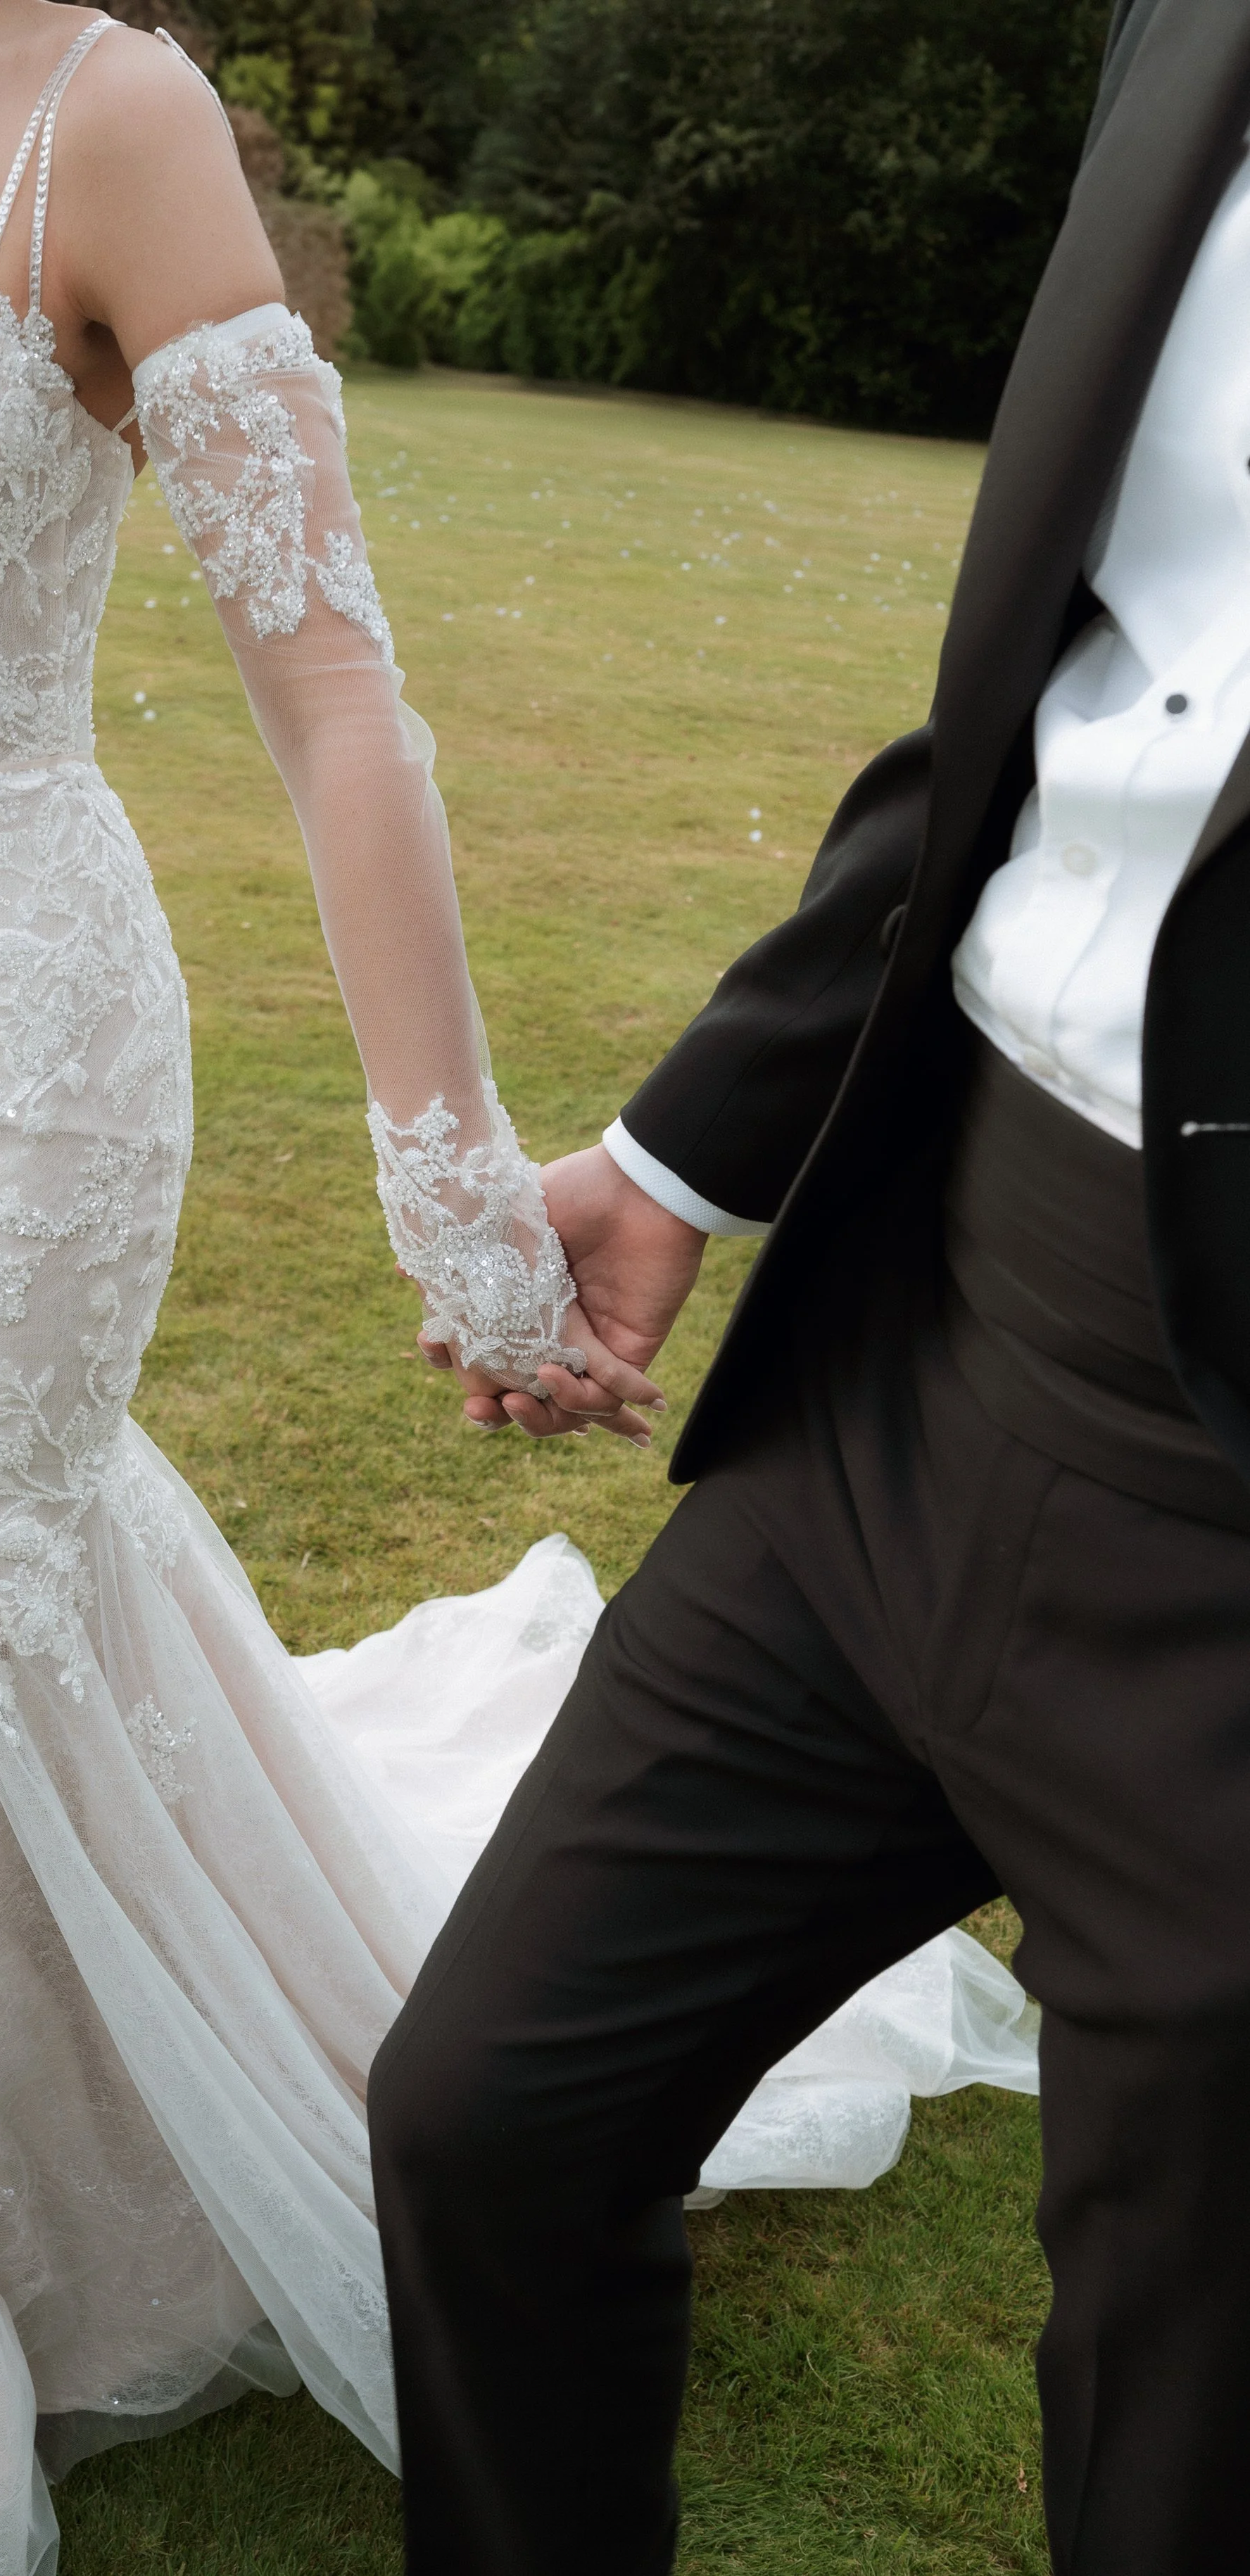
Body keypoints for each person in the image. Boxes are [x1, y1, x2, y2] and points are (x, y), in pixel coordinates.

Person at [0, 6, 1033, 2570]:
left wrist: (454, 1191)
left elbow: (327, 691)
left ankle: (60, 2196)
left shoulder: (102, 114)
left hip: (3, 1047)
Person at [370, 2, 1250, 2570]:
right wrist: (687, 1154)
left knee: (1175, 2466)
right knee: (489, 2116)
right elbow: (1045, 681)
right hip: (914, 1358)